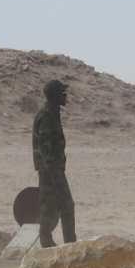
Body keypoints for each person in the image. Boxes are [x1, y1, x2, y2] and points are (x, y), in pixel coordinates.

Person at [33, 80, 75, 248]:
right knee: (66, 206)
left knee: (49, 207)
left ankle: (47, 241)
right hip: (51, 170)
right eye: (62, 93)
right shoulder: (47, 116)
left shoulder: (52, 113)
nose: (65, 96)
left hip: (51, 169)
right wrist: (55, 175)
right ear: (54, 96)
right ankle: (70, 245)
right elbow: (46, 150)